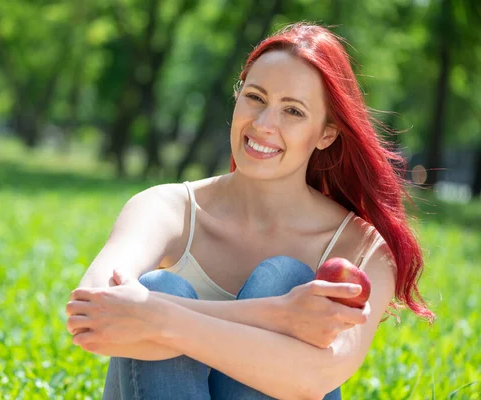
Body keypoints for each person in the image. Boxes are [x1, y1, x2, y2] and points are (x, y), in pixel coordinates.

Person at [65, 22, 435, 399]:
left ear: (326, 133)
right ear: (237, 96)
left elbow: (316, 376)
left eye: (292, 110)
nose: (262, 125)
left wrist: (155, 317)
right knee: (161, 286)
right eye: (256, 97)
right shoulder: (168, 209)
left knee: (284, 276)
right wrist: (278, 315)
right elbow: (90, 313)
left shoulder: (361, 248)